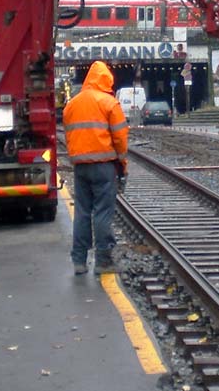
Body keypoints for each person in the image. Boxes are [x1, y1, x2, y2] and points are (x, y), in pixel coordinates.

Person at [63, 60, 129, 275]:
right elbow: (120, 138)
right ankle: (103, 261)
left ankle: (79, 261)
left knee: (82, 212)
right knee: (102, 213)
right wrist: (123, 167)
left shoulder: (72, 104)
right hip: (103, 167)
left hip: (80, 167)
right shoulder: (109, 103)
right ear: (106, 79)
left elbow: (69, 135)